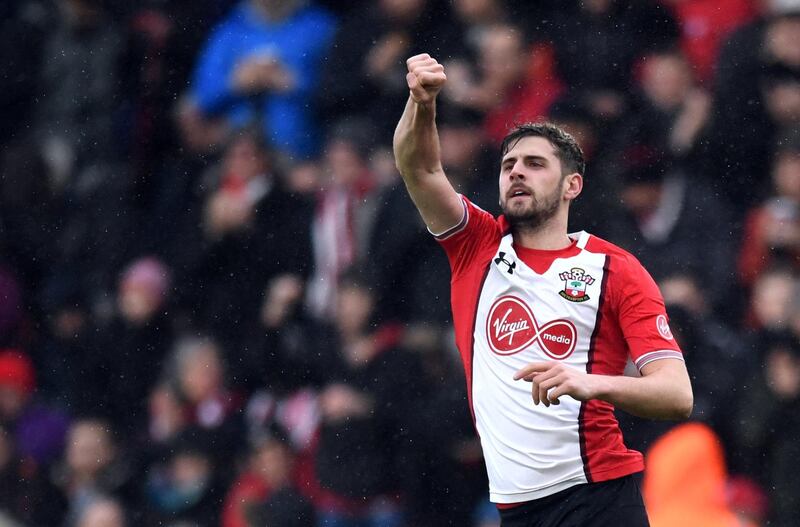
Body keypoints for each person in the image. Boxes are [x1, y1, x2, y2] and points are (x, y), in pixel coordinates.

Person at [392, 53, 693, 526]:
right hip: (516, 509)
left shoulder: (616, 269)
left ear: (572, 184)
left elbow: (676, 394)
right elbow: (420, 169)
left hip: (597, 498)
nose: (516, 172)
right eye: (508, 164)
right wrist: (421, 102)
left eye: (535, 164)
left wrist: (588, 384)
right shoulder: (475, 246)